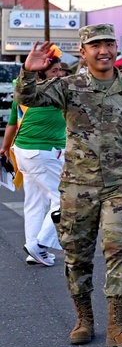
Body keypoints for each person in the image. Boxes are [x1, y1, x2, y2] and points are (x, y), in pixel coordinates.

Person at [14, 24, 122, 347]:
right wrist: (29, 72)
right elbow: (28, 97)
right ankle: (84, 319)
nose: (104, 51)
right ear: (84, 52)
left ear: (117, 49)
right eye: (96, 45)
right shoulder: (68, 86)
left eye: (109, 44)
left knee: (120, 249)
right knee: (77, 254)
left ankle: (117, 325)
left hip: (119, 185)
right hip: (77, 184)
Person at [0, 52, 68, 267]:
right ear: (41, 74)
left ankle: (33, 249)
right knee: (64, 201)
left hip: (24, 152)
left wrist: (4, 147)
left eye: (60, 70)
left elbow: (12, 122)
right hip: (44, 153)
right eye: (54, 71)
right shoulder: (56, 94)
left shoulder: (24, 94)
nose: (59, 74)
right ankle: (40, 245)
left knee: (35, 203)